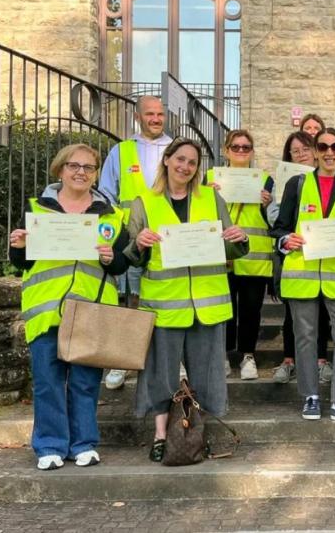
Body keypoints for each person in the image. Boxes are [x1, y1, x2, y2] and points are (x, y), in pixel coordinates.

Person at [124, 137, 249, 462]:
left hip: (208, 303)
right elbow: (131, 256)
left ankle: (195, 435)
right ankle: (161, 436)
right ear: (167, 160)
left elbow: (229, 244)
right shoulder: (143, 202)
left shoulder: (211, 197)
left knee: (206, 376)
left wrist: (240, 239)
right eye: (180, 159)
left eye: (192, 162)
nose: (185, 166)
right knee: (161, 375)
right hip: (164, 304)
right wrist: (139, 243)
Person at [9, 144, 129, 470]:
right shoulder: (37, 209)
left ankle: (83, 444)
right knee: (48, 382)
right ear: (60, 169)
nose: (81, 172)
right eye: (74, 166)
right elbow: (21, 262)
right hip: (46, 310)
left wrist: (111, 258)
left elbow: (122, 264)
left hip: (91, 310)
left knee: (85, 382)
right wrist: (18, 246)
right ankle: (50, 445)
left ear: (96, 174)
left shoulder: (112, 214)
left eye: (89, 168)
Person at [272, 127, 335, 423]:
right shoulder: (297, 184)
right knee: (305, 336)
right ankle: (311, 397)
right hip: (302, 273)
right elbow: (279, 228)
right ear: (315, 152)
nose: (329, 152)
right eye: (323, 146)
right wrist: (286, 240)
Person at [100, 95, 172, 390]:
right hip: (131, 239)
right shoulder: (121, 151)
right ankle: (122, 360)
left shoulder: (175, 149)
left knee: (167, 296)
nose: (155, 119)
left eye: (160, 114)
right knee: (130, 298)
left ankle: (170, 360)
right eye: (150, 114)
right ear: (137, 117)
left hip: (167, 238)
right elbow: (107, 195)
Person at [205, 130, 274, 381]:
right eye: (236, 147)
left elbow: (274, 220)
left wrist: (267, 205)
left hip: (254, 257)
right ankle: (223, 355)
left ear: (252, 151)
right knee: (224, 308)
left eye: (246, 147)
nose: (241, 151)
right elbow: (198, 215)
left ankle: (248, 355)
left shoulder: (265, 180)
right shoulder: (210, 178)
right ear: (226, 150)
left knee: (251, 310)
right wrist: (206, 196)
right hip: (222, 254)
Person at [267, 132, 333, 384]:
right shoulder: (291, 182)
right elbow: (279, 224)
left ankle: (321, 360)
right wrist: (287, 239)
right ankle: (289, 360)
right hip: (297, 257)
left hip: (326, 257)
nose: (302, 154)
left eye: (306, 149)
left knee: (322, 311)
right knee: (291, 313)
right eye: (296, 151)